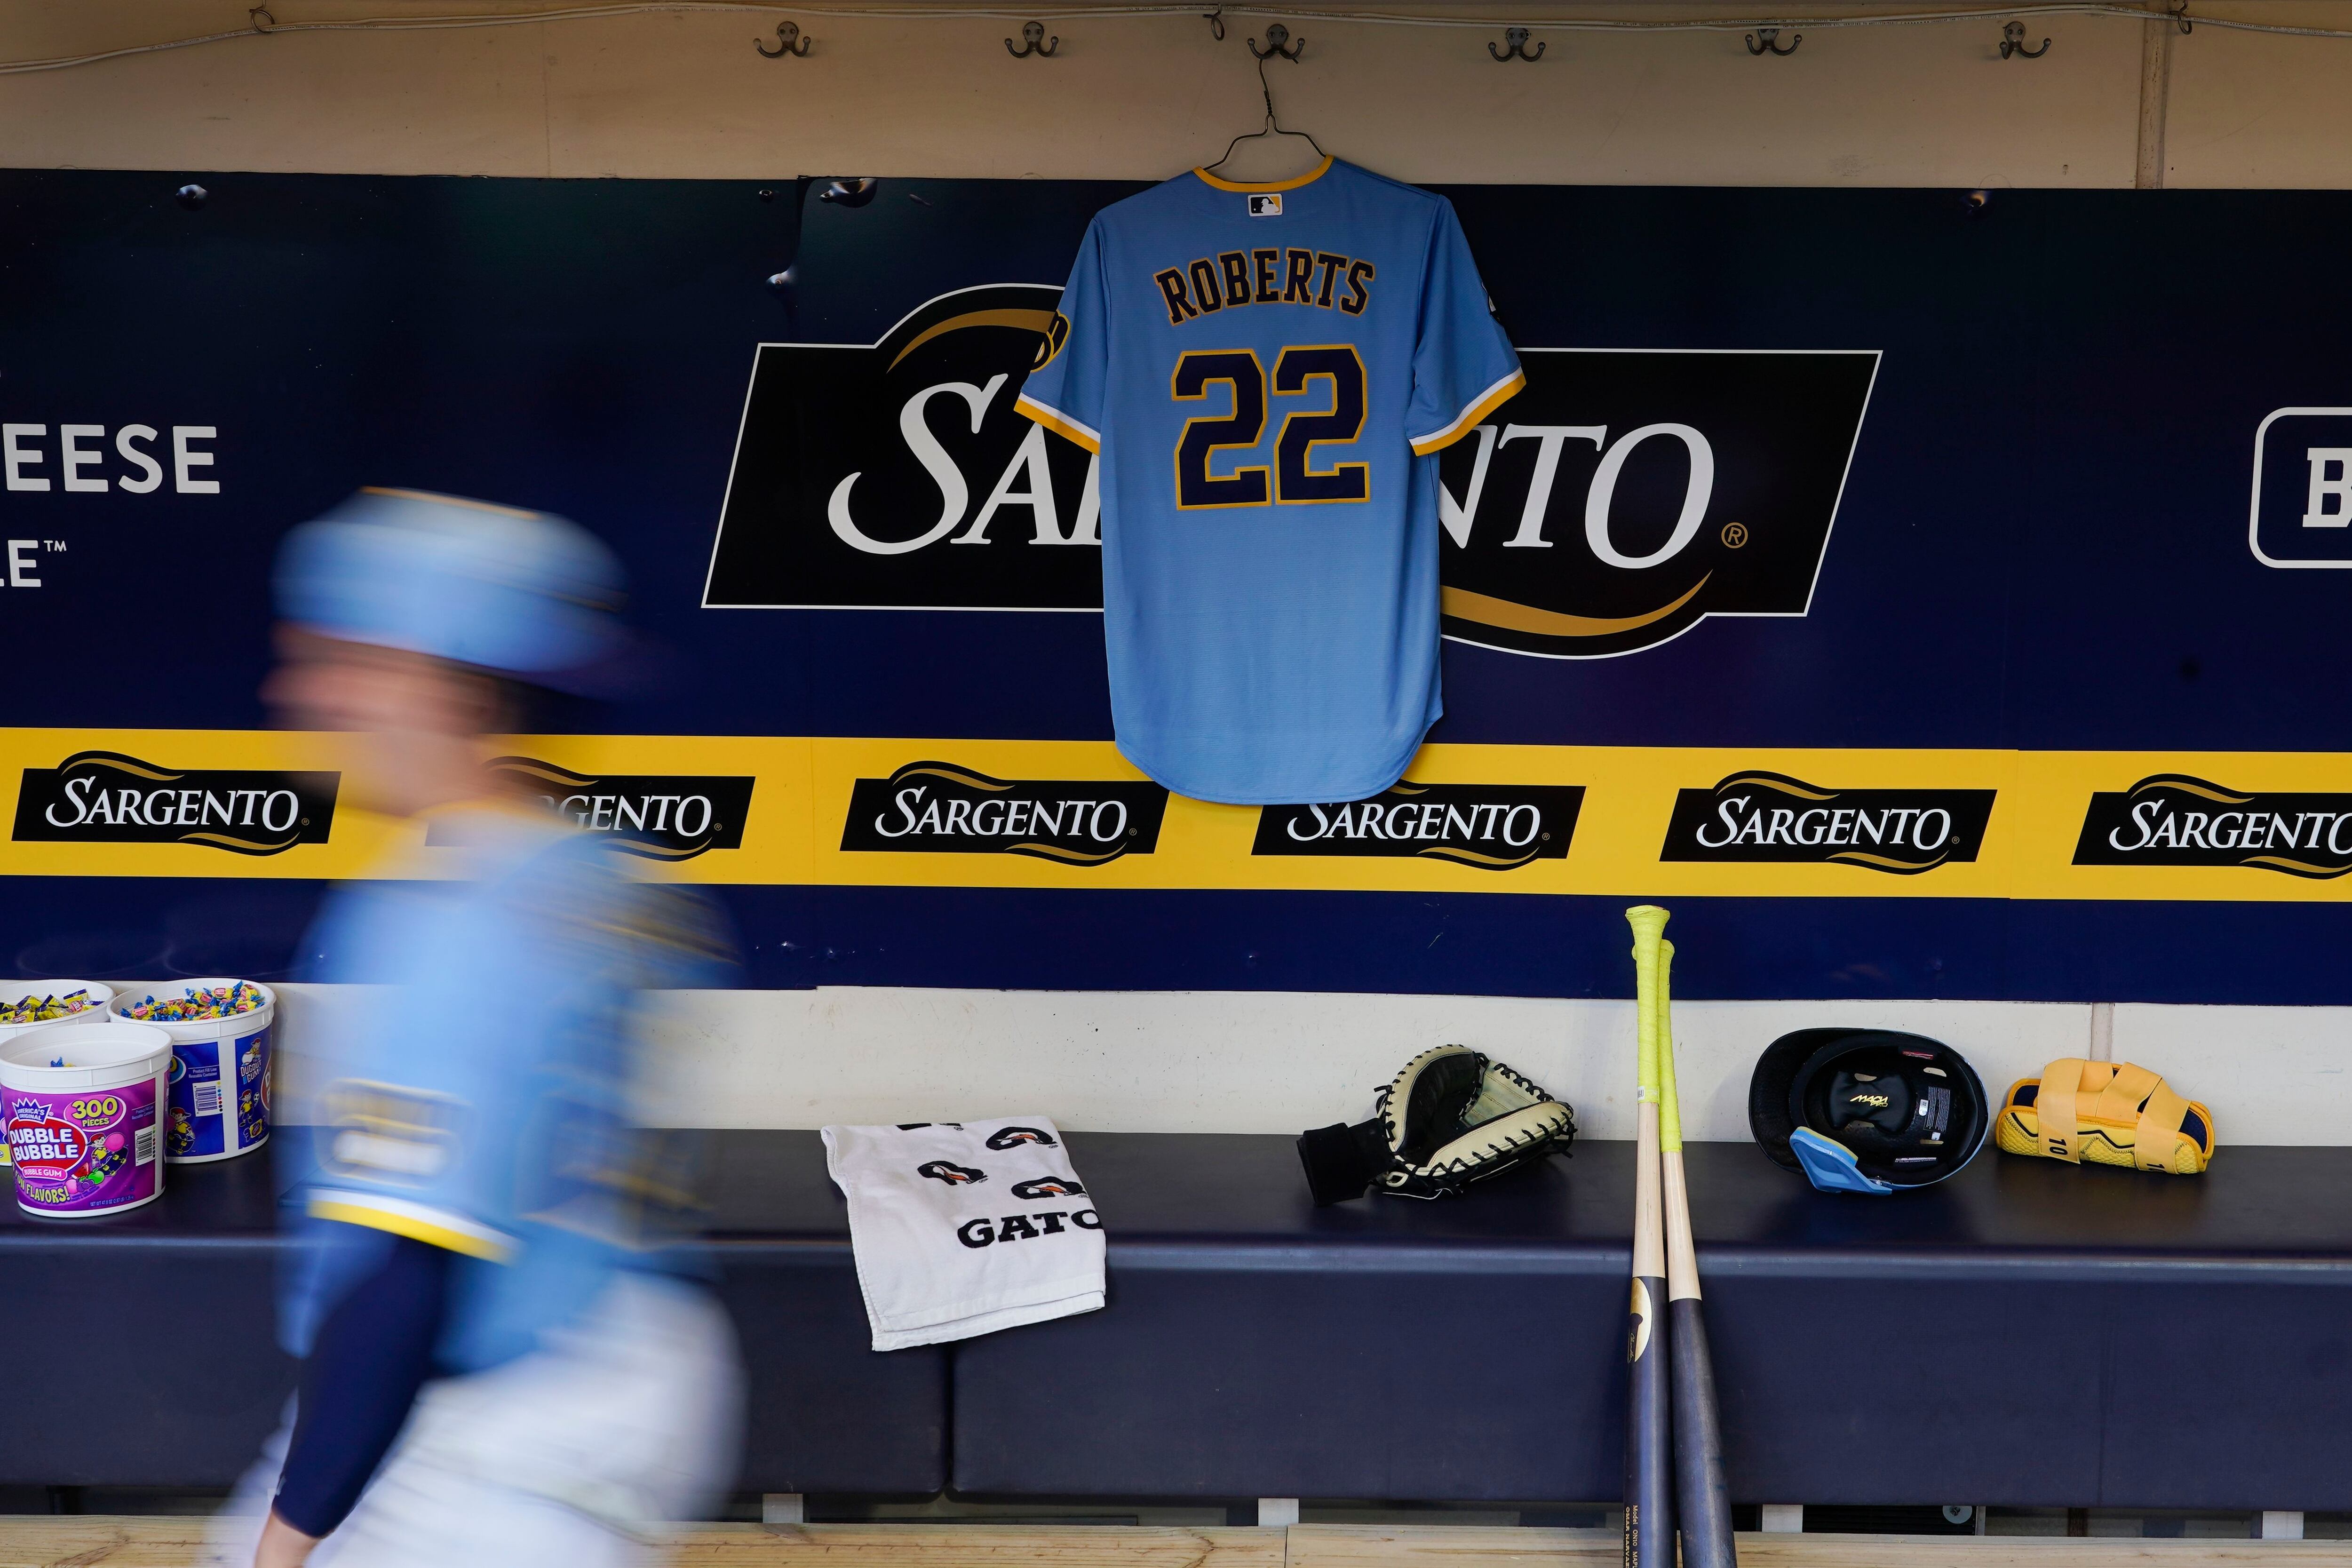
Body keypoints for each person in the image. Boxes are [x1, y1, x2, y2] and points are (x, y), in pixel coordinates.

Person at [226, 488, 741, 1568]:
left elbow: (407, 1275)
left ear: (437, 683)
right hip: (630, 1335)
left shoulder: (458, 921)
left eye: (338, 655)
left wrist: (288, 1540)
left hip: (503, 1417)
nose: (300, 689)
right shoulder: (588, 867)